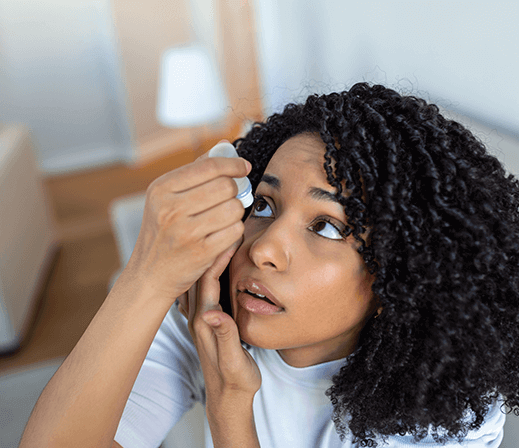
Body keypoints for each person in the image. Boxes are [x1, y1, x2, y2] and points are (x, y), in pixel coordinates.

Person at [20, 83, 519, 447]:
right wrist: (145, 278)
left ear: (402, 275)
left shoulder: (445, 414)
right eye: (263, 206)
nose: (262, 249)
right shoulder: (210, 322)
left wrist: (229, 409)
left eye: (326, 226)